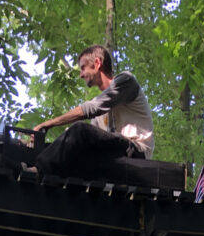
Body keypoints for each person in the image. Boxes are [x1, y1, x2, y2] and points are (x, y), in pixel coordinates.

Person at [28, 45, 154, 179]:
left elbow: (91, 109)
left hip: (137, 152)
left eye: (83, 68)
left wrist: (48, 124)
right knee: (70, 142)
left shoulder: (126, 81)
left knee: (79, 130)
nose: (81, 75)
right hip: (112, 156)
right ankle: (28, 164)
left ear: (97, 63)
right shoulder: (100, 108)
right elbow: (89, 138)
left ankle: (39, 170)